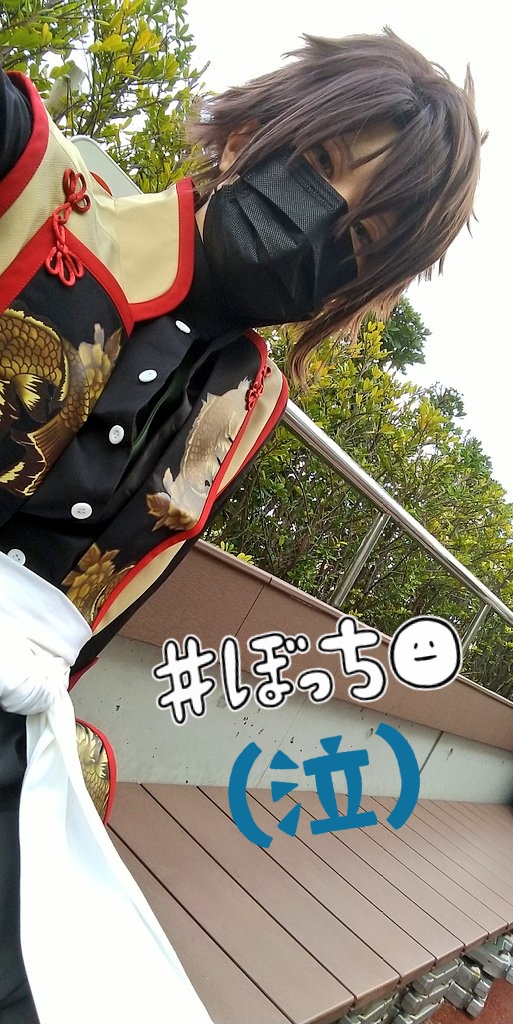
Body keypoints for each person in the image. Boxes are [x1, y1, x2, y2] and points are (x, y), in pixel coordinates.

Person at [0, 26, 483, 1024]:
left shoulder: (245, 402)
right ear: (247, 135)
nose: (319, 225)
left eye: (361, 240)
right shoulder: (38, 188)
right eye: (319, 165)